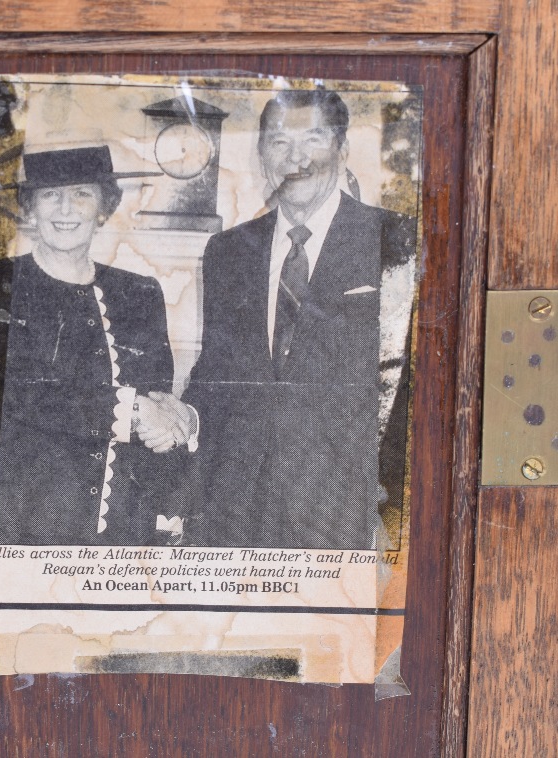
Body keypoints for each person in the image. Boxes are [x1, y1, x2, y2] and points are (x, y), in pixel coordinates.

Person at [149, 89, 416, 549]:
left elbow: (411, 390)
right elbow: (217, 374)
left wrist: (392, 514)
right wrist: (187, 417)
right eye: (278, 143)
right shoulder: (228, 251)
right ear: (261, 157)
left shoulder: (396, 238)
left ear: (343, 148)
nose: (297, 158)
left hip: (346, 511)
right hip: (235, 509)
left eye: (313, 139)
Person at [0, 145, 185, 546]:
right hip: (27, 521)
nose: (65, 209)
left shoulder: (140, 292)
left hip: (126, 529)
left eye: (81, 193)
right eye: (50, 195)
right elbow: (15, 392)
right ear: (30, 208)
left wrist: (169, 451)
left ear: (102, 207)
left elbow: (157, 398)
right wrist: (131, 409)